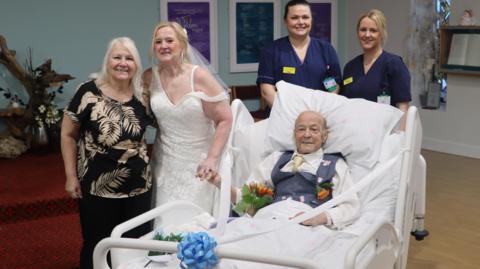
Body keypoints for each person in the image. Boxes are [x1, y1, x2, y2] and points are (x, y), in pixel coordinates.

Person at [61, 37, 153, 269]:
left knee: (136, 245)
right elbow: (68, 135)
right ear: (107, 61)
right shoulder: (88, 91)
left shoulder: (143, 95)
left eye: (129, 58)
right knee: (98, 245)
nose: (123, 63)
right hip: (97, 185)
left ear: (136, 64)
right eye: (117, 57)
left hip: (138, 185)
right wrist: (71, 176)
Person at [202, 110, 359, 228]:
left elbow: (350, 207)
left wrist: (320, 217)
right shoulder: (276, 159)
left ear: (324, 135)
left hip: (307, 228)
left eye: (314, 129)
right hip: (267, 221)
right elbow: (249, 200)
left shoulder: (335, 165)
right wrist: (220, 183)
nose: (307, 134)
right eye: (301, 129)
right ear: (294, 134)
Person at [144, 22, 232, 214]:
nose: (163, 45)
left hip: (199, 161)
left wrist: (212, 158)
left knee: (196, 220)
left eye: (169, 40)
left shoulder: (199, 76)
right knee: (165, 219)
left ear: (182, 45)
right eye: (158, 42)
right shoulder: (149, 77)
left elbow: (225, 118)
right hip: (166, 161)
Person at [257, 0, 342, 108]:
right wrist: (288, 114)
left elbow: (332, 85)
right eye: (294, 17)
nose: (301, 22)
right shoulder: (271, 51)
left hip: (318, 117)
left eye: (305, 17)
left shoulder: (326, 49)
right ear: (285, 21)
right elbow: (267, 90)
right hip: (283, 117)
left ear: (311, 20)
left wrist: (321, 111)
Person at [341, 9, 411, 116]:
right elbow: (344, 104)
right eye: (363, 30)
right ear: (358, 33)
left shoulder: (394, 64)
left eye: (373, 30)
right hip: (353, 129)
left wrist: (400, 133)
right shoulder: (350, 67)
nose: (367, 35)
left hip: (383, 130)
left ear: (381, 34)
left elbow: (403, 107)